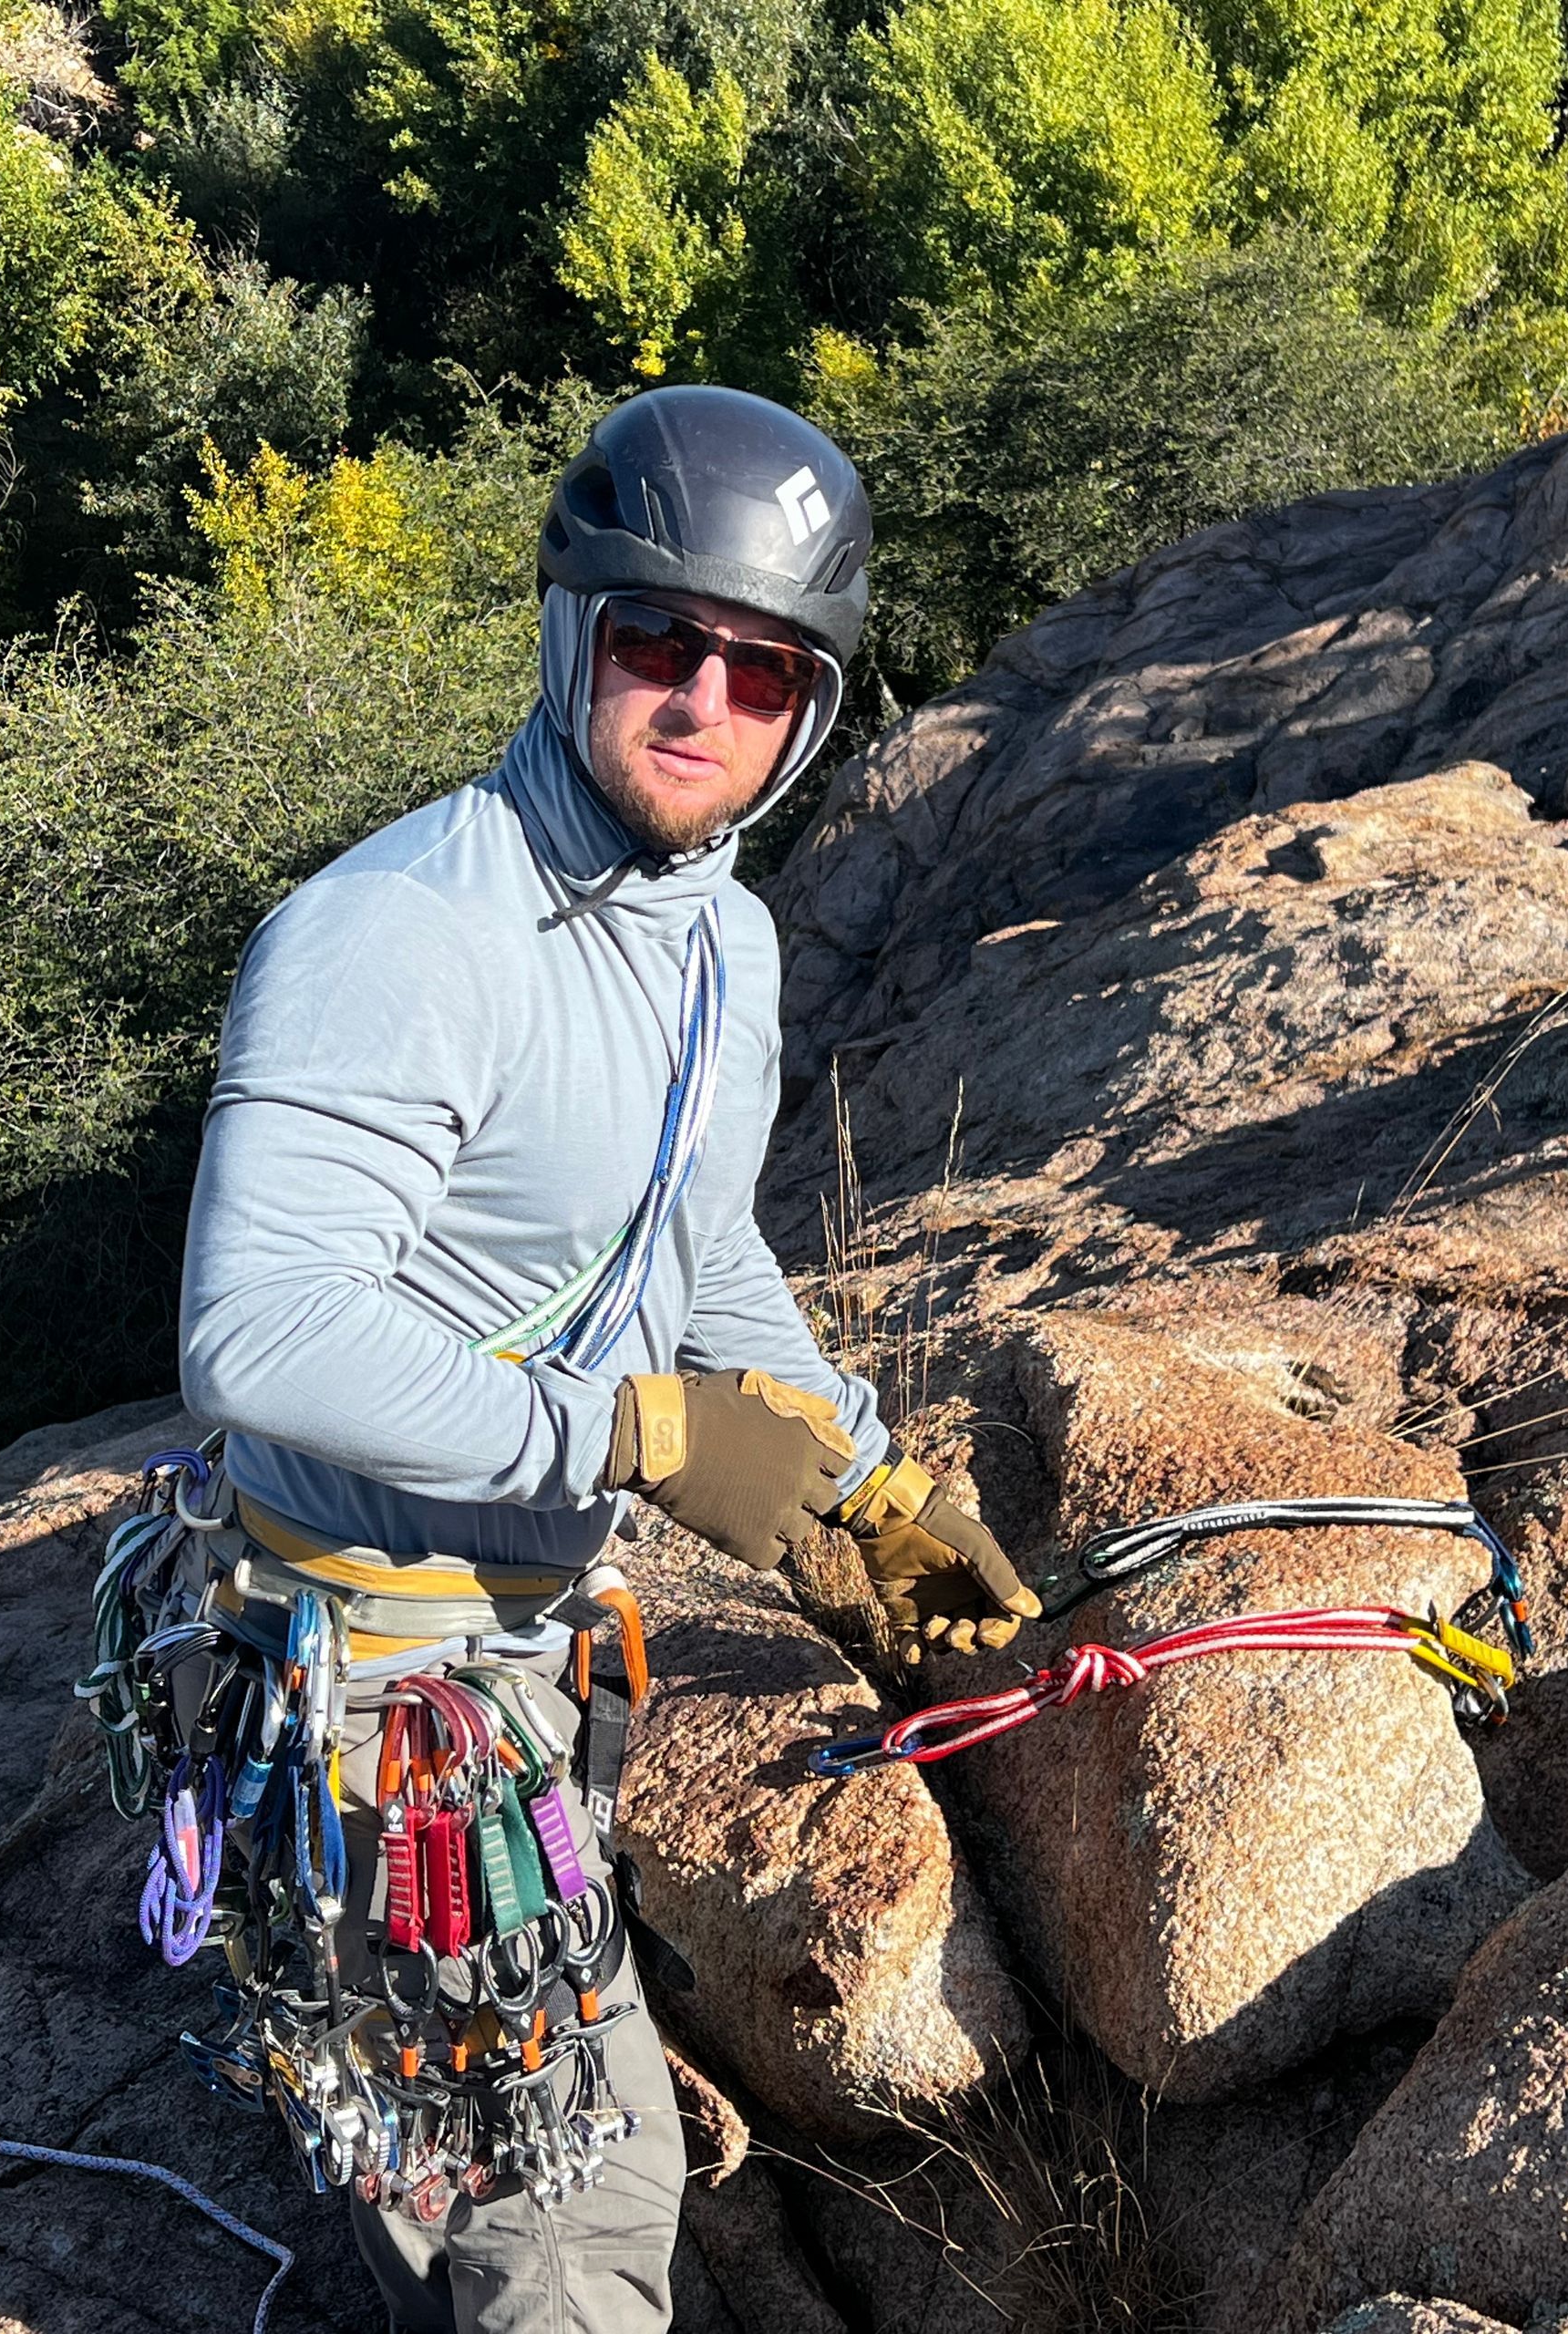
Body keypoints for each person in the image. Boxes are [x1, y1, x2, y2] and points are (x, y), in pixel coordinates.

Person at [175, 384, 1040, 2334]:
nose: (700, 702)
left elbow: (694, 1235)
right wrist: (629, 1426)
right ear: (575, 632)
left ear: (812, 711)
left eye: (763, 670)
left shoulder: (721, 942)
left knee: (539, 2162)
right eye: (661, 640)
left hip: (529, 1641)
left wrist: (868, 1489)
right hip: (381, 1666)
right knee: (575, 2227)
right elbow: (258, 1328)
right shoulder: (401, 932)